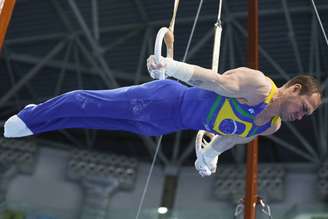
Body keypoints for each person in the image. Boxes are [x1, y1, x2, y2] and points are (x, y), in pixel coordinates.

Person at [3, 56, 322, 176]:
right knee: (88, 103)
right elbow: (214, 81)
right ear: (293, 89)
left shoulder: (271, 126)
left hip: (166, 124)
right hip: (165, 99)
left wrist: (210, 154)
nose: (301, 116)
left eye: (307, 114)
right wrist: (173, 68)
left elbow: (235, 137)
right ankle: (33, 117)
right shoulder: (258, 86)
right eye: (304, 107)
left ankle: (37, 120)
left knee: (91, 120)